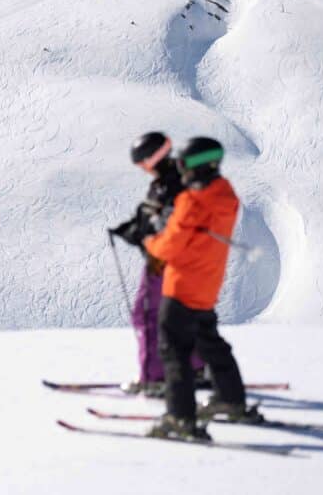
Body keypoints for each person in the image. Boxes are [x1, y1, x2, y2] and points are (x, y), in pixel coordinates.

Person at [144, 137, 259, 440]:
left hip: (181, 288)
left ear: (197, 167)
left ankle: (181, 418)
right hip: (206, 287)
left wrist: (151, 243)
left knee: (174, 352)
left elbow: (169, 246)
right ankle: (231, 400)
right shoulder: (226, 196)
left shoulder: (192, 202)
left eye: (184, 164)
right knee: (209, 343)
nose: (181, 170)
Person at [110, 132, 204, 397]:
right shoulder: (177, 180)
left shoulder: (169, 185)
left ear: (153, 158)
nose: (143, 169)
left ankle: (155, 377)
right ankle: (196, 368)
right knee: (181, 315)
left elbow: (163, 227)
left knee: (148, 314)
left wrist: (139, 234)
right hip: (186, 262)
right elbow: (154, 219)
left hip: (165, 262)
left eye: (142, 163)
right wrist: (132, 229)